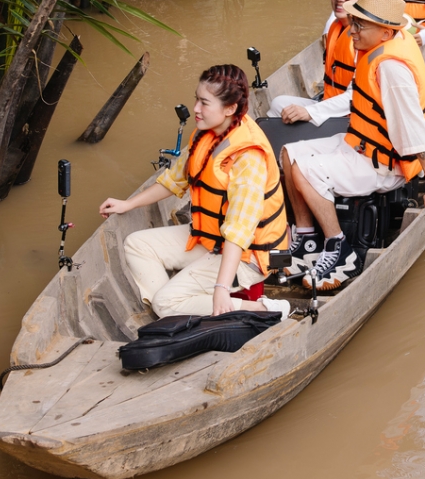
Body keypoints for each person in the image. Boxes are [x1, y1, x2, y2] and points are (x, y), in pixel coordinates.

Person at [280, 0, 425, 290]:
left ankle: (340, 250)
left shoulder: (392, 68)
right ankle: (306, 239)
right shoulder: (380, 47)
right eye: (353, 23)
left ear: (385, 32)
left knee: (306, 170)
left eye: (360, 25)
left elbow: (415, 131)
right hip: (361, 145)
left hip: (385, 166)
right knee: (289, 153)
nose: (351, 31)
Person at [99, 65, 291, 319]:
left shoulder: (248, 157)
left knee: (166, 302)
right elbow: (174, 180)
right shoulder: (207, 134)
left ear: (230, 109)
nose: (196, 108)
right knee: (137, 245)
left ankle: (264, 309)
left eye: (204, 103)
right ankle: (173, 311)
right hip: (212, 238)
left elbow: (239, 231)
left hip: (249, 255)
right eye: (196, 99)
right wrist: (128, 204)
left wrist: (222, 288)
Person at [266, 0, 376, 126]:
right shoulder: (336, 27)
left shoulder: (365, 37)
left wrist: (311, 112)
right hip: (329, 106)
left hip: (351, 119)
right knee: (278, 105)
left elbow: (356, 95)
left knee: (281, 114)